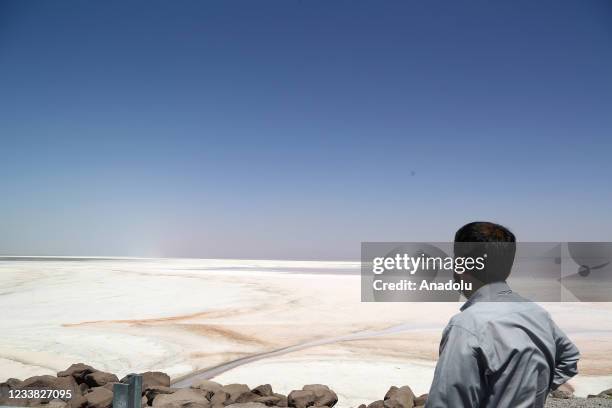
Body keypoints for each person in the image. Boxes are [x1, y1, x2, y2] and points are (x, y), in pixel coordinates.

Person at [425, 221, 580, 408]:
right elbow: (569, 358)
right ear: (508, 269)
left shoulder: (467, 326)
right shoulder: (537, 314)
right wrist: (534, 389)